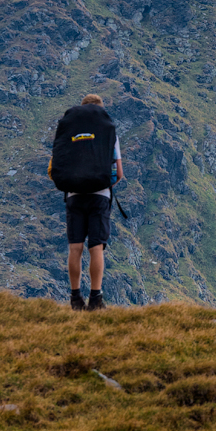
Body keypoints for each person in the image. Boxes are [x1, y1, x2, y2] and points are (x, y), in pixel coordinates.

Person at [59, 94, 122, 311]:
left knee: (75, 247)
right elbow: (119, 172)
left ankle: (75, 299)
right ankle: (95, 299)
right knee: (96, 248)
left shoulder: (70, 131)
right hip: (99, 195)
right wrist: (103, 183)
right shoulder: (107, 131)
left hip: (74, 195)